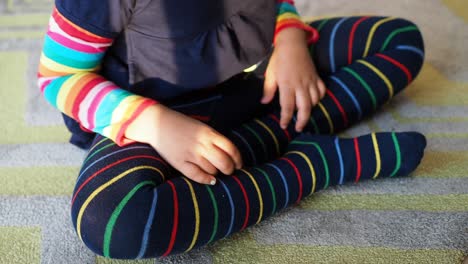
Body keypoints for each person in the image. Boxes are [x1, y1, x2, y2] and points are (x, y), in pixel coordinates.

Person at [38, 0, 427, 259]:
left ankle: (268, 133)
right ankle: (311, 164)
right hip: (161, 116)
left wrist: (289, 37)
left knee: (400, 41)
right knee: (111, 222)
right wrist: (153, 123)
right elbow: (59, 76)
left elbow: (276, 4)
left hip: (257, 80)